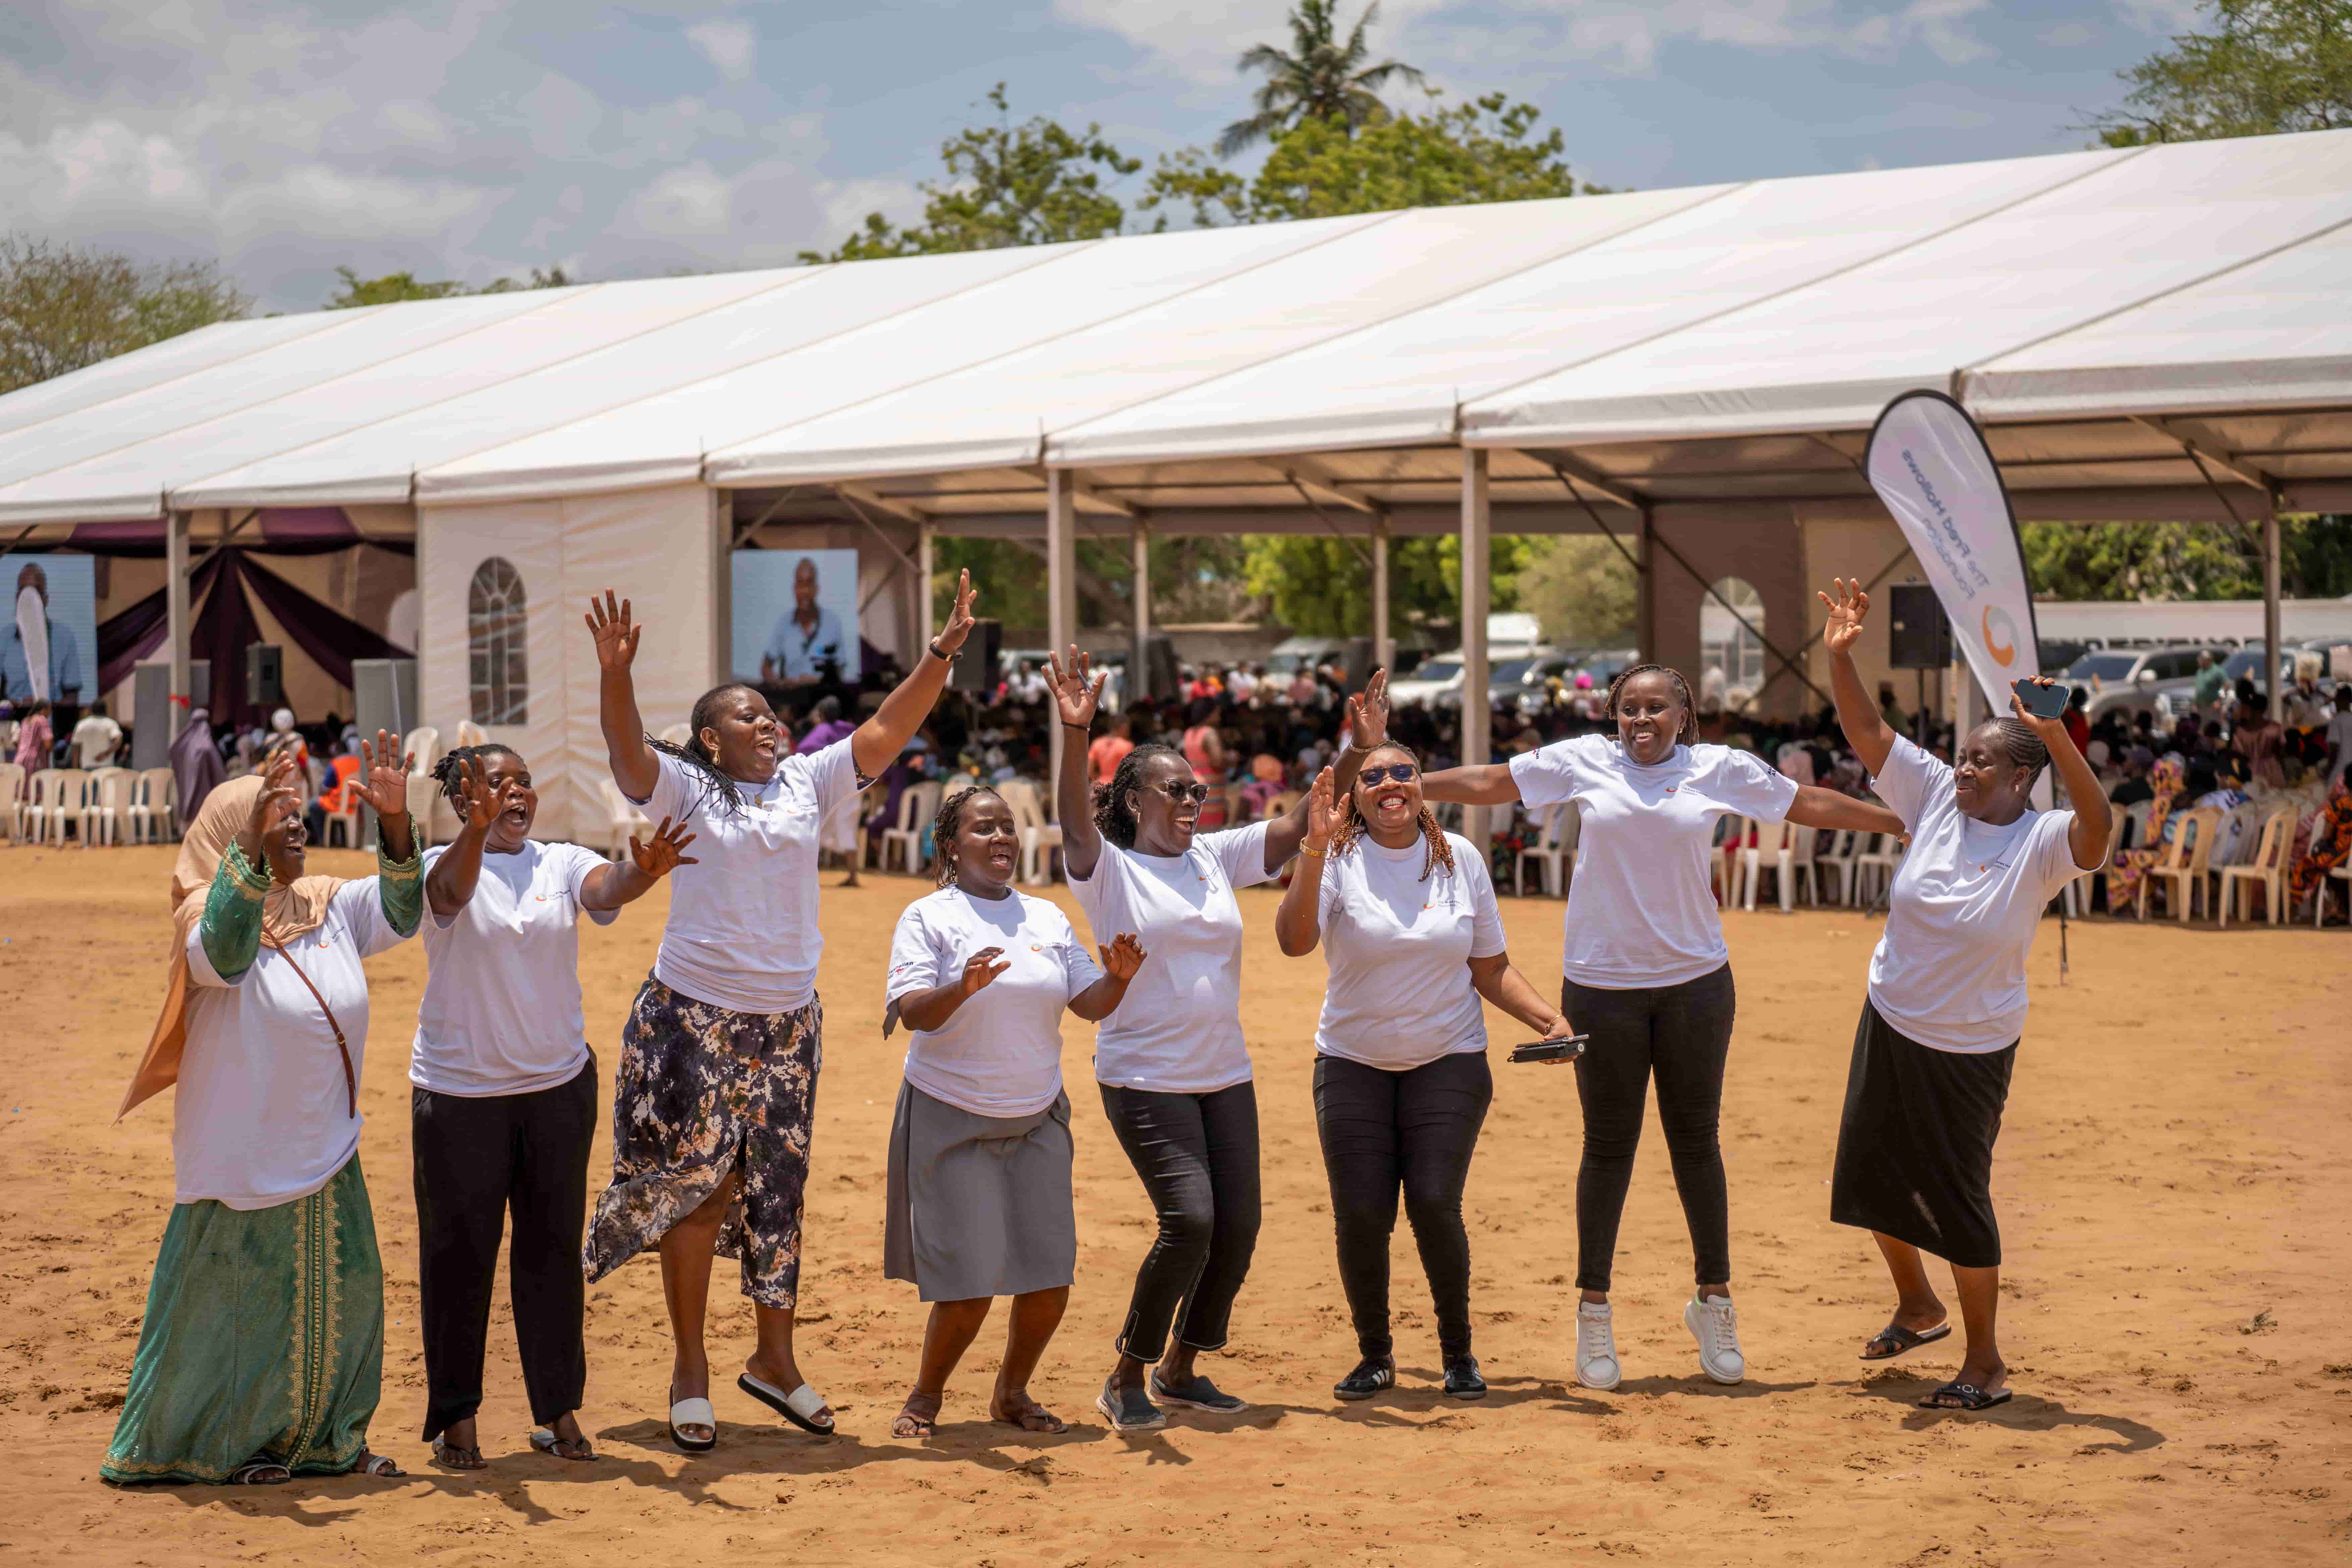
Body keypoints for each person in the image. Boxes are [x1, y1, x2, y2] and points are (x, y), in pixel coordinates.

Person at [1406, 662, 1903, 1391]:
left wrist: (1900, 818)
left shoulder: (1717, 768)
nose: (1642, 721)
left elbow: (1808, 804)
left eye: (1656, 709)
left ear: (1683, 714)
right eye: (1629, 709)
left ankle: (1716, 1299)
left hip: (1697, 984)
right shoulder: (1582, 759)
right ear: (1614, 714)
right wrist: (1411, 784)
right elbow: (1490, 783)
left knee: (1697, 1142)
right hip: (1603, 984)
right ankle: (1595, 1312)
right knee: (1608, 1148)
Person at [582, 572, 980, 1451]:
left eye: (772, 716)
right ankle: (691, 1369)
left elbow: (889, 729)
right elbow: (627, 757)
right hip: (694, 1020)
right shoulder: (687, 789)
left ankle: (774, 1362)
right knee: (696, 1194)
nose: (770, 725)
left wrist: (941, 652)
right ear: (712, 741)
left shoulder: (809, 782)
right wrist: (617, 678)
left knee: (774, 1195)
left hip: (788, 1027)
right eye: (750, 718)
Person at [1816, 580, 2109, 1412]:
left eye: (1983, 760)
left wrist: (2056, 734)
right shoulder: (1935, 797)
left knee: (1956, 1196)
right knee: (1870, 1173)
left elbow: (2099, 829)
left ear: (2024, 778)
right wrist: (1841, 656)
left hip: (1971, 1045)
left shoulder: (2042, 840)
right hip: (1891, 1017)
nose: (1965, 769)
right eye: (1965, 756)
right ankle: (1918, 1304)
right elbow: (1867, 731)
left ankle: (1985, 1362)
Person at [103, 740, 422, 1485]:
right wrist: (250, 848)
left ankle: (323, 1443)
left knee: (343, 1300)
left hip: (327, 1144)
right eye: (279, 816)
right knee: (233, 1312)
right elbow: (229, 949)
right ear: (235, 832)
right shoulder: (200, 917)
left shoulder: (329, 904)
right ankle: (214, 1450)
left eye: (297, 812)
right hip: (241, 1150)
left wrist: (399, 824)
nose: (299, 825)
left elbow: (404, 910)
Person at [1047, 645, 1323, 1432]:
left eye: (1198, 789)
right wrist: (1076, 730)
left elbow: (1293, 828)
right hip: (1143, 1074)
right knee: (1191, 1220)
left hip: (1223, 1071)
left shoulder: (1210, 856)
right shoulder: (1108, 868)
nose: (1193, 800)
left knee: (1239, 1225)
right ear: (1133, 802)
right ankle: (1127, 1372)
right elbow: (1072, 813)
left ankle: (1181, 1367)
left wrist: (1358, 746)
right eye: (1177, 789)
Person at [1272, 714, 1575, 1403]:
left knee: (1436, 1201)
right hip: (1352, 1060)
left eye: (1401, 773)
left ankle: (1458, 1351)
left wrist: (1548, 1017)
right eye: (1372, 776)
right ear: (1356, 794)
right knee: (1362, 1213)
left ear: (1420, 786)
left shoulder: (1460, 860)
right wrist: (1314, 851)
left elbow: (1490, 965)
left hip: (1449, 1057)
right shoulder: (1337, 860)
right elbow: (1293, 941)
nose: (1388, 785)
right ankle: (1375, 1354)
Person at [409, 746, 695, 1470]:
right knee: (459, 1258)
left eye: (525, 783)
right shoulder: (436, 863)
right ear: (464, 796)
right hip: (460, 1094)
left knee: (550, 1254)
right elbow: (449, 897)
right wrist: (473, 833)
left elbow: (604, 889)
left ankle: (558, 1410)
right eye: (499, 784)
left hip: (556, 1089)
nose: (518, 794)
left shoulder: (557, 861)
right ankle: (457, 1420)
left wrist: (644, 871)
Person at [879, 785, 1146, 1437]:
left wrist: (1119, 978)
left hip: (1036, 1117)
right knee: (969, 1286)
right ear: (951, 844)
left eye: (1009, 826)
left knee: (1049, 1278)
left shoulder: (1047, 918)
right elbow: (913, 1010)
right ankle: (926, 1396)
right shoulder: (928, 916)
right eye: (984, 827)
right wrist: (960, 988)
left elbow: (1089, 1002)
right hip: (954, 1116)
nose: (1002, 836)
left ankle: (1012, 1391)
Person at [797, 695, 864, 886]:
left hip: (831, 787)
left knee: (815, 828)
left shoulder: (822, 730)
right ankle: (853, 876)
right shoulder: (849, 729)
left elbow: (805, 749)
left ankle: (808, 876)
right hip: (853, 785)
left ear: (821, 714)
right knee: (848, 828)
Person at [2104, 757, 2183, 911]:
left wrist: (2142, 847)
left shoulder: (2162, 801)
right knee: (2139, 859)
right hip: (2184, 856)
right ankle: (2142, 901)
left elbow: (2152, 839)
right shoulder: (2182, 797)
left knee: (2124, 858)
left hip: (2167, 856)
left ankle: (2122, 903)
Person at [760, 557, 848, 686]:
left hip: (823, 694)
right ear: (795, 589)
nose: (805, 591)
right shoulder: (783, 624)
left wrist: (819, 680)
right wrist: (780, 684)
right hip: (791, 697)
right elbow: (766, 667)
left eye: (809, 584)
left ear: (816, 588)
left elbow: (840, 669)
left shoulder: (833, 623)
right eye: (801, 584)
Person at [6, 562, 82, 704]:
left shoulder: (65, 638)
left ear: (46, 599)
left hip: (51, 722)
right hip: (12, 724)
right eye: (25, 592)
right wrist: (19, 705)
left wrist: (45, 709)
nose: (30, 599)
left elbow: (72, 697)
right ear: (17, 599)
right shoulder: (3, 640)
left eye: (36, 591)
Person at [2287, 773, 2352, 922]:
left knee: (2310, 866)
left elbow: (2327, 834)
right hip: (2349, 859)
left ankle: (2327, 907)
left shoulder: (2338, 805)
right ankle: (2339, 908)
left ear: (2346, 786)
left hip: (2342, 855)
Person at [168, 705, 227, 823]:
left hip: (190, 786)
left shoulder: (184, 744)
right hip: (204, 789)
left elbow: (173, 751)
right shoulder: (206, 745)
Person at [1181, 698, 1229, 831]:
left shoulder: (1189, 733)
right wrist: (1231, 759)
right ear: (1209, 713)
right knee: (1211, 833)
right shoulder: (1209, 733)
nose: (1219, 717)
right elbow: (1218, 762)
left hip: (1194, 786)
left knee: (1197, 831)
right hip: (1210, 789)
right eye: (1217, 713)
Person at [1088, 713, 1135, 790]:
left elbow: (1090, 771)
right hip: (1118, 789)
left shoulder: (1097, 743)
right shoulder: (1127, 746)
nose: (1129, 733)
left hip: (1099, 787)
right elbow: (1130, 772)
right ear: (1123, 727)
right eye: (1128, 729)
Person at [72, 698, 122, 769]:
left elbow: (76, 749)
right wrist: (106, 754)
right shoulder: (110, 724)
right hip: (106, 768)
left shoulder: (82, 725)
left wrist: (75, 769)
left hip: (87, 767)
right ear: (106, 710)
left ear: (91, 710)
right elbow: (118, 740)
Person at [11, 698, 51, 779]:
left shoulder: (25, 721)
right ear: (44, 710)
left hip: (19, 760)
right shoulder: (42, 720)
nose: (50, 713)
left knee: (20, 790)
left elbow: (19, 742)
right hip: (35, 762)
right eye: (49, 710)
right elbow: (48, 744)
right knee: (36, 791)